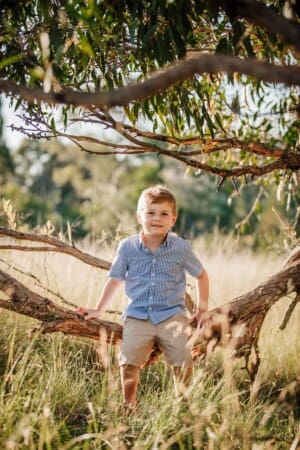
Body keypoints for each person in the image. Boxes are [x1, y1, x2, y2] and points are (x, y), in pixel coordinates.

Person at [76, 185, 209, 411]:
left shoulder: (181, 248)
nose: (156, 218)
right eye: (150, 213)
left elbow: (202, 276)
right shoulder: (127, 247)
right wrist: (98, 310)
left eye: (164, 214)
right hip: (138, 315)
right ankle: (129, 404)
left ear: (173, 219)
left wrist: (202, 309)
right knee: (128, 361)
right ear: (140, 217)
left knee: (183, 360)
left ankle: (183, 407)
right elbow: (115, 279)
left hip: (172, 315)